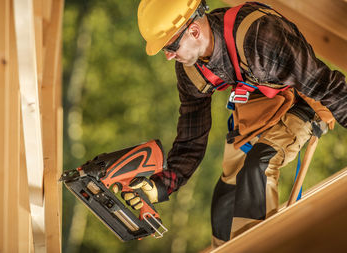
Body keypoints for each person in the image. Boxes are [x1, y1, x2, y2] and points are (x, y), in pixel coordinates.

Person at [118, 0, 347, 247]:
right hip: (259, 104)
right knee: (226, 201)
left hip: (305, 100)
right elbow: (192, 137)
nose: (168, 55)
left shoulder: (261, 35)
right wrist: (161, 186)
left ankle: (264, 247)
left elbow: (328, 86)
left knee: (258, 167)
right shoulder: (190, 71)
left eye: (170, 46)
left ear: (193, 31)